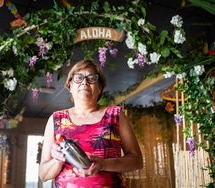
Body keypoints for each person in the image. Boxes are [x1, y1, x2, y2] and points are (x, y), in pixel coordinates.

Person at [39, 59, 143, 187]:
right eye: (78, 78)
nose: (84, 82)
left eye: (91, 78)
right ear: (70, 86)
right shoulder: (56, 119)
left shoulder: (115, 115)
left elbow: (137, 161)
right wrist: (57, 160)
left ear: (100, 88)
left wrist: (104, 164)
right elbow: (43, 175)